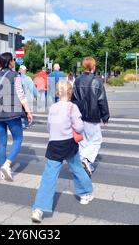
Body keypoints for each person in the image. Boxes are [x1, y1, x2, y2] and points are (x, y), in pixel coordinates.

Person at [31, 80, 93, 223]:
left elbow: (49, 127)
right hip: (69, 143)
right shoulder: (73, 108)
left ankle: (39, 209)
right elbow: (79, 127)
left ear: (57, 92)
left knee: (49, 176)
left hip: (54, 144)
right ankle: (85, 194)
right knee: (77, 168)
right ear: (70, 92)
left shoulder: (53, 108)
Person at [0, 52, 33, 182]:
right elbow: (21, 95)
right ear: (10, 62)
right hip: (12, 112)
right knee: (18, 139)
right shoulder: (15, 75)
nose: (14, 62)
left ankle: (3, 171)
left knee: (2, 142)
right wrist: (28, 112)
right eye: (13, 60)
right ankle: (7, 165)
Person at [71, 57, 110, 177]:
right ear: (93, 67)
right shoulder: (97, 82)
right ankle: (85, 159)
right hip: (93, 116)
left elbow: (73, 98)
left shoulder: (77, 81)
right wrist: (105, 116)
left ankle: (84, 163)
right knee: (96, 140)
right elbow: (102, 100)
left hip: (80, 114)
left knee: (84, 142)